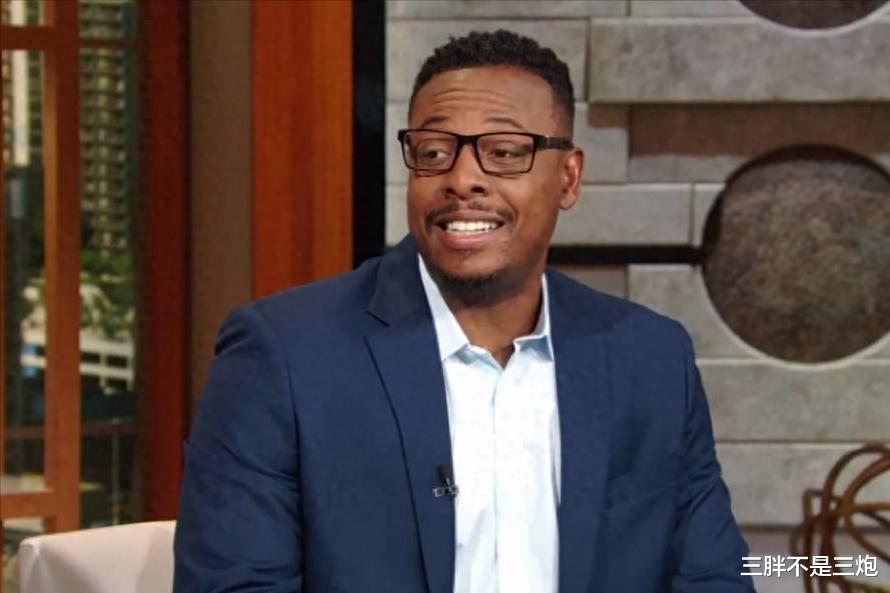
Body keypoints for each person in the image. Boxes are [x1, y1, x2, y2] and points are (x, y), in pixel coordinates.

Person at [174, 29, 755, 593]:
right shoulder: (285, 356)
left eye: (504, 153)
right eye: (434, 152)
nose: (463, 179)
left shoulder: (649, 360)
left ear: (569, 177)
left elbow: (712, 577)